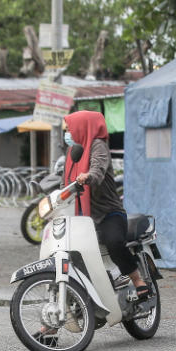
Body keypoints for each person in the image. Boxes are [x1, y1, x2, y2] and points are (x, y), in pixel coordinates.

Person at [65, 110, 149, 297]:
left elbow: (98, 168)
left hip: (107, 212)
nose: (68, 134)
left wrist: (88, 176)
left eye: (69, 129)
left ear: (82, 127)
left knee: (114, 242)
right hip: (80, 214)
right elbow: (63, 177)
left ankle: (137, 279)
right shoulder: (73, 150)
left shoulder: (98, 145)